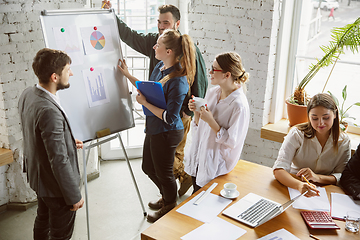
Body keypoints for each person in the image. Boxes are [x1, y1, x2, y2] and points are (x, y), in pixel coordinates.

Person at [103, 1, 208, 196]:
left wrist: (189, 110)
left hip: (177, 112)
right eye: (159, 22)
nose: (160, 26)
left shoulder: (186, 48)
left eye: (165, 22)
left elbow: (200, 80)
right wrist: (111, 14)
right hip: (157, 112)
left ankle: (178, 188)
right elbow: (129, 35)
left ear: (177, 24)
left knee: (171, 156)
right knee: (161, 159)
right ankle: (173, 191)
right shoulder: (155, 43)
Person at [117, 29, 196, 222]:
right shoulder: (160, 66)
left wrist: (144, 103)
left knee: (164, 172)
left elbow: (170, 117)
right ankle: (168, 195)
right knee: (148, 167)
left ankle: (169, 204)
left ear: (169, 51)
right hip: (154, 128)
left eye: (158, 44)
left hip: (168, 132)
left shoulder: (179, 82)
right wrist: (127, 74)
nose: (154, 47)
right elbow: (147, 87)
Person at [18, 48, 84, 240]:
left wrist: (68, 141)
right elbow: (58, 159)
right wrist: (74, 196)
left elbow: (36, 133)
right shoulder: (49, 110)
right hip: (56, 188)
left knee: (42, 219)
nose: (70, 73)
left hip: (39, 179)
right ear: (55, 77)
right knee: (60, 234)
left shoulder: (28, 94)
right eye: (67, 70)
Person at [184, 52, 250, 192]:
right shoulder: (213, 92)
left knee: (203, 205)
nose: (210, 72)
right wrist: (196, 111)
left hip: (216, 167)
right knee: (194, 200)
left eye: (214, 69)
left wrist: (211, 121)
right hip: (200, 158)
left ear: (227, 75)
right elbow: (200, 128)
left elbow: (232, 141)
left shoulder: (239, 105)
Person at [273, 93, 351, 198]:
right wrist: (299, 185)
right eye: (314, 118)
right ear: (309, 117)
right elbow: (279, 169)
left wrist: (317, 177)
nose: (320, 123)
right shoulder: (297, 134)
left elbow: (341, 176)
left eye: (326, 117)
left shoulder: (344, 141)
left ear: (335, 114)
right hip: (293, 186)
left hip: (324, 192)